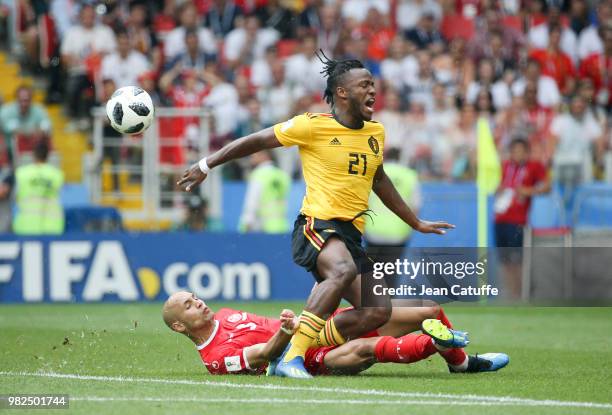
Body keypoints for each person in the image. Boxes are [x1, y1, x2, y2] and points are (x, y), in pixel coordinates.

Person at [178, 53, 454, 378]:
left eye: (373, 85)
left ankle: (301, 341)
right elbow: (255, 141)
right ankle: (293, 357)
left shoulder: (375, 133)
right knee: (341, 269)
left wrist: (415, 222)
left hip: (351, 235)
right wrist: (205, 164)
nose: (372, 91)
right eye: (364, 85)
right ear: (342, 92)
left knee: (378, 311)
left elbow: (379, 180)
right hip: (316, 226)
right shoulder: (312, 125)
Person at [162, 291, 509, 376]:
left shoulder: (224, 314)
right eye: (190, 306)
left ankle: (459, 363)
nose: (200, 303)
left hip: (316, 330)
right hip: (308, 357)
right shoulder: (214, 360)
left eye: (195, 298)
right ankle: (436, 343)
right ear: (180, 326)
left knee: (429, 310)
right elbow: (266, 354)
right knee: (369, 348)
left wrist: (294, 325)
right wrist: (287, 332)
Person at [494, 138, 550, 299]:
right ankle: (510, 293)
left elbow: (547, 186)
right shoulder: (504, 166)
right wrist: (497, 188)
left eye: (520, 151)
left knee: (518, 259)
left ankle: (521, 293)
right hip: (499, 218)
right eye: (514, 151)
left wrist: (529, 191)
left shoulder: (534, 166)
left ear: (527, 153)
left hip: (517, 221)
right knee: (504, 259)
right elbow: (494, 185)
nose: (517, 154)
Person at [365, 148, 421, 262]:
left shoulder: (373, 172)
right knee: (390, 272)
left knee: (373, 271)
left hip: (373, 230)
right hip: (399, 232)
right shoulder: (409, 176)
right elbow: (416, 206)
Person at [12, 140, 64, 235]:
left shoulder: (21, 173)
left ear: (33, 155)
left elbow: (15, 196)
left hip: (27, 225)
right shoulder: (57, 174)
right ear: (48, 156)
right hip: (52, 225)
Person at [239, 150, 290, 233]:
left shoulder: (258, 174)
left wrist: (246, 224)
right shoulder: (282, 175)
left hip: (262, 228)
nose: (251, 157)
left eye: (254, 154)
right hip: (281, 227)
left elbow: (252, 201)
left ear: (264, 155)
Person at [0, 85, 51, 163]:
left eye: (26, 100)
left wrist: (37, 131)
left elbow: (47, 126)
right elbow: (9, 129)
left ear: (31, 99)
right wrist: (31, 131)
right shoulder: (6, 111)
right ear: (16, 99)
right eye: (21, 100)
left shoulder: (40, 110)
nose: (24, 104)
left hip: (35, 152)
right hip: (8, 153)